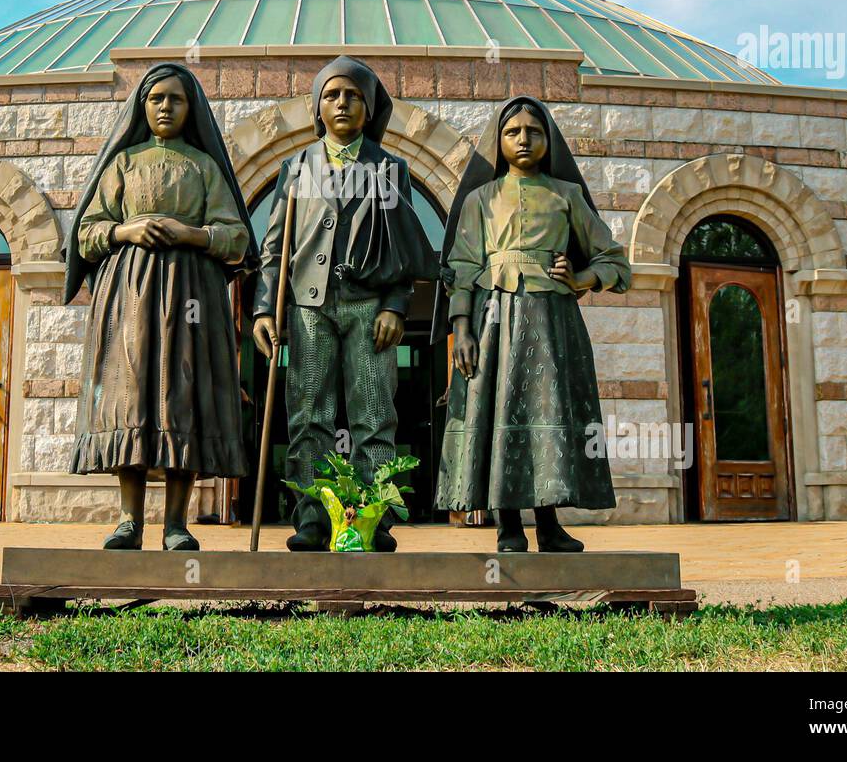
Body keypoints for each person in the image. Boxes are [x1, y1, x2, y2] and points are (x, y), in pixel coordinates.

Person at [63, 62, 256, 551]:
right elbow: (84, 235)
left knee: (182, 394)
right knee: (130, 395)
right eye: (156, 99)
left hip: (191, 293)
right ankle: (129, 520)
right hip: (128, 294)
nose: (166, 107)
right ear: (142, 106)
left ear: (190, 109)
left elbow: (236, 238)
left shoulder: (205, 167)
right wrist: (124, 230)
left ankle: (176, 523)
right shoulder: (123, 165)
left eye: (176, 99)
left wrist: (191, 234)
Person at [251, 55, 435, 552]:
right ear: (317, 106)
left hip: (370, 306)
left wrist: (397, 304)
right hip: (310, 307)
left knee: (374, 415)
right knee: (309, 413)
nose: (342, 103)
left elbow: (403, 244)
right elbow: (274, 247)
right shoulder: (296, 167)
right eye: (331, 95)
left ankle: (375, 520)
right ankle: (311, 518)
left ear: (368, 105)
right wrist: (265, 309)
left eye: (353, 95)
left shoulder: (389, 168)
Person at [433, 96, 631, 552]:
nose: (524, 139)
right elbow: (462, 266)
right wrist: (460, 329)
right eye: (513, 132)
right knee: (497, 413)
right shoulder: (479, 200)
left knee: (548, 416)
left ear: (549, 140)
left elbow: (615, 261)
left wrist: (582, 277)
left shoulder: (568, 196)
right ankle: (507, 527)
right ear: (499, 142)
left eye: (534, 131)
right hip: (492, 322)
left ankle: (549, 524)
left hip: (552, 324)